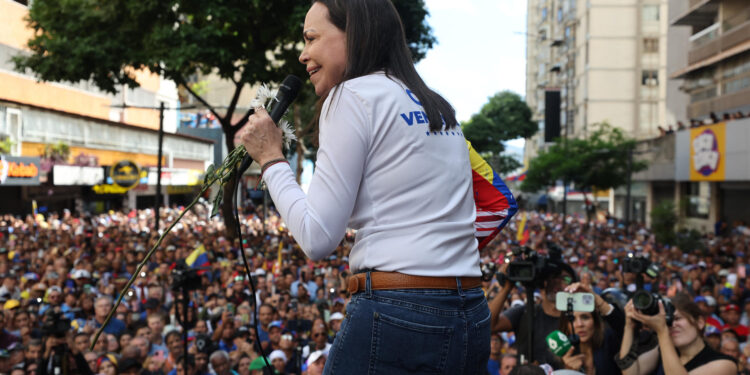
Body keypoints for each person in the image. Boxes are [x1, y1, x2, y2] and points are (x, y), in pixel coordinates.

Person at [239, 0, 489, 374]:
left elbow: (317, 237)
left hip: (398, 315)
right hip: (471, 312)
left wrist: (271, 159)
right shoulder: (435, 103)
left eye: (311, 38)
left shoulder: (352, 95)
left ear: (353, 34)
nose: (303, 55)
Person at [617, 293, 736, 375]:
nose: (672, 325)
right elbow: (630, 372)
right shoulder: (662, 351)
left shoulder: (724, 364)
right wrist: (629, 326)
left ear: (699, 322)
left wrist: (662, 331)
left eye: (678, 318)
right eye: (667, 321)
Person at [490, 263, 577, 368]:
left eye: (565, 279)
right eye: (553, 277)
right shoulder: (525, 312)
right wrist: (507, 287)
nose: (557, 282)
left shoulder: (577, 319)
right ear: (544, 283)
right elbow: (489, 325)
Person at [556, 282, 625, 374]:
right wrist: (568, 372)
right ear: (565, 325)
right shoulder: (557, 358)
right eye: (572, 319)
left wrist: (596, 299)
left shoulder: (609, 343)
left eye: (585, 317)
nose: (580, 324)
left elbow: (623, 328)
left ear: (595, 321)